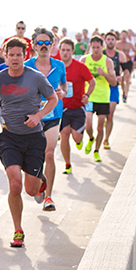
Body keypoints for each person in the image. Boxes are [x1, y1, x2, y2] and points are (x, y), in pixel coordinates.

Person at [0, 38, 57, 247]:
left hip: (34, 138)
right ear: (5, 55)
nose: (15, 59)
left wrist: (39, 116)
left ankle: (40, 181)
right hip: (9, 138)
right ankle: (18, 230)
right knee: (14, 183)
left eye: (18, 55)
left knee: (31, 191)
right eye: (11, 55)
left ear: (25, 56)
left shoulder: (36, 77)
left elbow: (53, 99)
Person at [24, 30, 66, 212]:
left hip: (52, 116)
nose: (43, 46)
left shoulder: (59, 65)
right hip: (32, 117)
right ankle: (38, 181)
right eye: (39, 42)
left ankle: (48, 196)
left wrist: (62, 93)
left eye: (47, 42)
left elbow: (64, 86)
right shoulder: (26, 66)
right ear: (34, 45)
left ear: (52, 44)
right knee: (34, 156)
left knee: (49, 153)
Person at [57, 37, 95, 175]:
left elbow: (92, 82)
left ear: (73, 51)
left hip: (78, 107)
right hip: (64, 108)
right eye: (63, 50)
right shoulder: (56, 67)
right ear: (59, 51)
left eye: (68, 50)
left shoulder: (80, 67)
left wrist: (87, 95)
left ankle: (84, 139)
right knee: (64, 134)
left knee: (76, 137)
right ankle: (67, 164)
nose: (65, 53)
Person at [83, 36, 118, 163]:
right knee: (88, 124)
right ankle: (91, 138)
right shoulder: (84, 60)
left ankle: (96, 151)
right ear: (90, 47)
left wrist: (104, 74)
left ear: (102, 47)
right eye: (94, 47)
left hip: (103, 97)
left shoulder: (107, 61)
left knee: (99, 127)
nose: (96, 50)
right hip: (90, 96)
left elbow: (114, 82)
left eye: (98, 47)